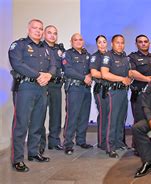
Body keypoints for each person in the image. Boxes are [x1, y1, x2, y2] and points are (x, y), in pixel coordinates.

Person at [9, 19, 55, 172]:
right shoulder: (19, 45)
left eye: (40, 29)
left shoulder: (46, 48)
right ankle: (17, 159)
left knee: (37, 123)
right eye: (35, 28)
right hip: (25, 88)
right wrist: (38, 75)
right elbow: (17, 64)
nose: (38, 31)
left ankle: (34, 153)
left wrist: (48, 75)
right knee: (21, 124)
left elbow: (54, 65)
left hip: (42, 89)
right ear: (28, 29)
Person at [101, 34, 132, 158]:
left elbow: (129, 73)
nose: (120, 45)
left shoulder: (125, 58)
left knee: (121, 118)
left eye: (122, 42)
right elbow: (104, 74)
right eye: (117, 42)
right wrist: (122, 79)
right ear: (112, 44)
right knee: (112, 120)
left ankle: (119, 142)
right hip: (113, 92)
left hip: (123, 92)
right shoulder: (108, 56)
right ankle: (110, 146)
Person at [62, 33, 93, 155]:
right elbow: (68, 70)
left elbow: (92, 69)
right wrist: (83, 77)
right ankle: (68, 144)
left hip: (86, 89)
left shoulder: (87, 55)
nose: (78, 42)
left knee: (84, 116)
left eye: (80, 39)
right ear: (71, 41)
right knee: (72, 116)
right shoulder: (67, 54)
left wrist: (90, 75)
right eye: (76, 40)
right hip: (74, 88)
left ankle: (81, 140)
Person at [39, 25, 65, 153]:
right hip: (43, 85)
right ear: (44, 34)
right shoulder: (40, 47)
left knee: (56, 114)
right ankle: (40, 143)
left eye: (55, 33)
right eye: (49, 33)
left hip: (56, 85)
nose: (52, 35)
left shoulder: (60, 49)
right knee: (40, 115)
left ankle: (54, 141)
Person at [129, 34, 151, 123]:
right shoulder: (132, 57)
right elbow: (132, 73)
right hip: (139, 95)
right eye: (140, 42)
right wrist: (148, 79)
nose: (143, 44)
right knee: (140, 123)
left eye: (145, 42)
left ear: (149, 43)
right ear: (136, 44)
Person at [90, 35, 108, 150]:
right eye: (99, 42)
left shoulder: (110, 55)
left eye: (104, 42)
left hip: (111, 89)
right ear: (97, 44)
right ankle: (102, 142)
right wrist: (109, 75)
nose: (102, 44)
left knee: (112, 116)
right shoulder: (95, 57)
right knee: (103, 115)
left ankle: (111, 140)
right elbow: (94, 73)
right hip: (100, 89)